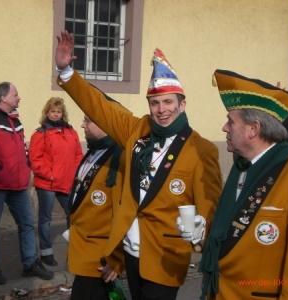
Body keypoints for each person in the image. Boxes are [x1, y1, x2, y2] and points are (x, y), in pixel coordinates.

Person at [55, 31, 222, 300]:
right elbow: (100, 106)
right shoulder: (137, 131)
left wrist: (200, 232)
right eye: (155, 103)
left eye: (168, 102)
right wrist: (66, 73)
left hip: (165, 258)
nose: (161, 110)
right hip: (130, 255)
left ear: (182, 104)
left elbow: (210, 209)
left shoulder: (202, 150)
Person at [199, 70, 288, 299]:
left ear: (254, 129)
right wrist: (203, 233)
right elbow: (236, 230)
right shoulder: (241, 167)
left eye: (231, 121)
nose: (224, 128)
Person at [0, 81, 54, 284]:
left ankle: (30, 264)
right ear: (3, 98)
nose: (19, 97)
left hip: (19, 186)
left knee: (27, 223)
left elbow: (24, 150)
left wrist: (26, 167)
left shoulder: (16, 121)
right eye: (15, 94)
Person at [67, 110, 130, 300]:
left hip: (100, 259)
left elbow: (123, 214)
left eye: (88, 120)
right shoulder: (93, 151)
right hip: (83, 252)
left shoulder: (118, 158)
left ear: (104, 124)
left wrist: (117, 259)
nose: (82, 125)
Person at [29, 97, 83, 266]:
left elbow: (78, 155)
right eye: (52, 111)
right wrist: (49, 174)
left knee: (73, 216)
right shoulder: (40, 134)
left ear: (63, 113)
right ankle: (46, 253)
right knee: (45, 219)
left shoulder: (71, 132)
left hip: (67, 182)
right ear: (47, 112)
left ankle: (75, 250)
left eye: (58, 111)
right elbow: (34, 160)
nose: (55, 114)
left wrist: (76, 172)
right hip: (48, 184)